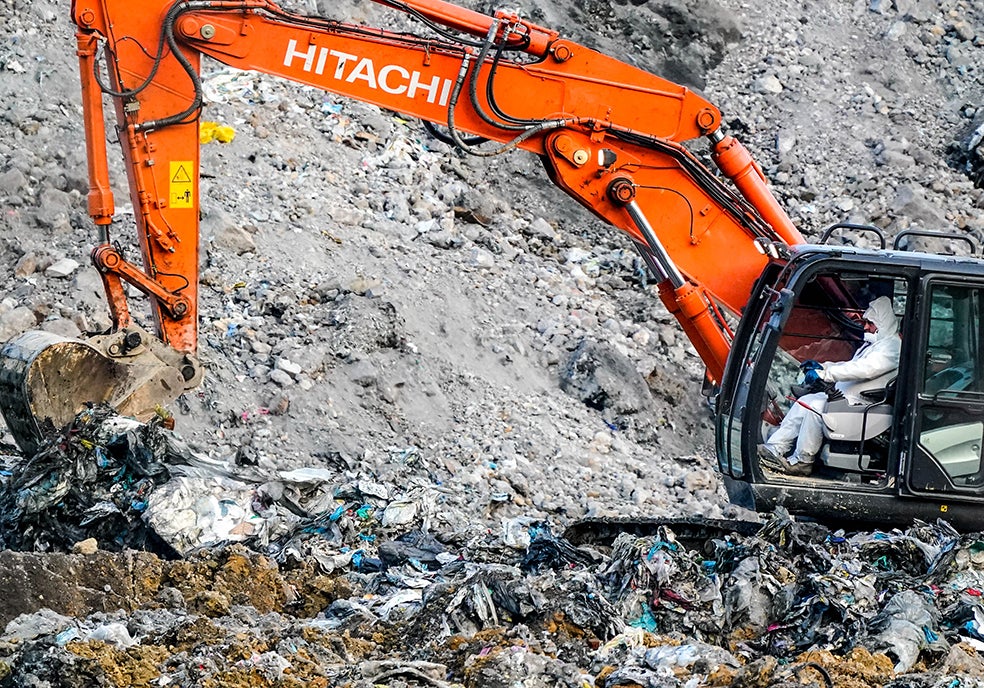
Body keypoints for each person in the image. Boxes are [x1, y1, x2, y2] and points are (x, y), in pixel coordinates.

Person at [759, 295, 901, 476]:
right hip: (848, 399)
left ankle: (802, 461)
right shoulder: (875, 344)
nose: (865, 327)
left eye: (870, 323)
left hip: (862, 404)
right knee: (806, 401)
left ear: (882, 322)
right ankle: (774, 449)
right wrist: (823, 366)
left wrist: (825, 374)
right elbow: (848, 365)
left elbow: (864, 369)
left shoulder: (892, 347)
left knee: (815, 408)